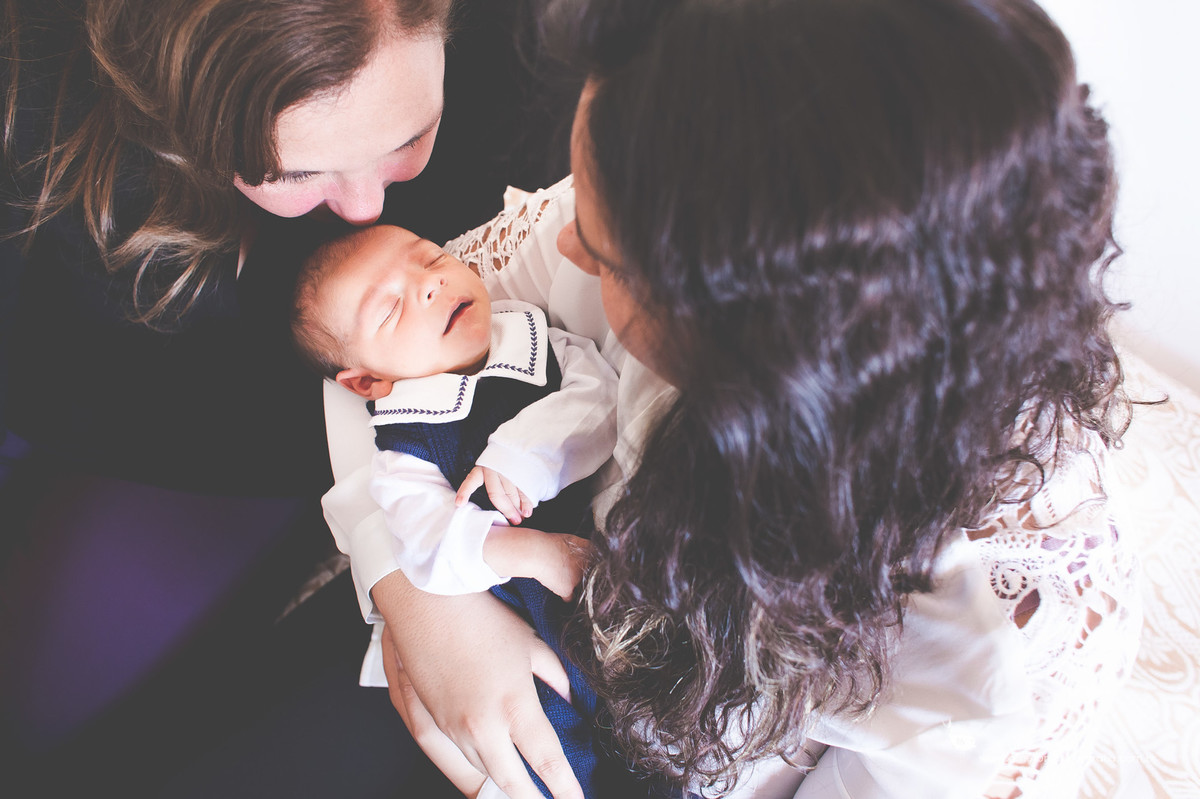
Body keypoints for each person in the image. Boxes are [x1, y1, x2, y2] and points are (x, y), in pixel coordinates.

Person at [321, 0, 1142, 797]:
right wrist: (418, 599)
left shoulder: (994, 604)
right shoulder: (649, 183)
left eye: (606, 258)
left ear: (756, 351)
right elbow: (354, 364)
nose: (562, 238)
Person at [0, 0, 576, 795]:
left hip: (431, 442)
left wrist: (410, 568)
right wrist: (405, 578)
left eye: (409, 137)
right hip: (147, 403)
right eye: (294, 173)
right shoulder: (34, 107)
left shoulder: (533, 54)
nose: (367, 207)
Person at [292, 222, 625, 798]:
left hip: (606, 572)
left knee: (648, 699)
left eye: (432, 259)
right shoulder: (403, 444)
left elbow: (597, 400)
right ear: (368, 381)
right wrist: (528, 551)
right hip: (518, 617)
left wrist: (520, 455)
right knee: (548, 745)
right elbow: (425, 545)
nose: (428, 285)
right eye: (391, 309)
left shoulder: (531, 334)